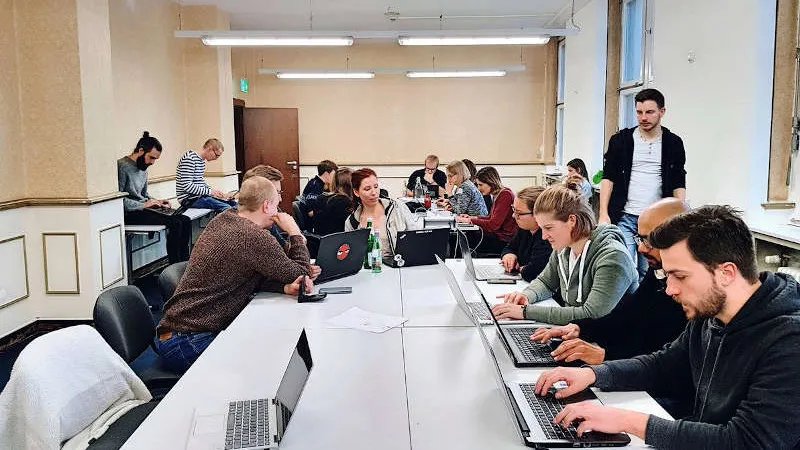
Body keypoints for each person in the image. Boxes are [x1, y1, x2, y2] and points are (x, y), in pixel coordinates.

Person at [534, 205, 800, 450]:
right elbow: (663, 365)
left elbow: (748, 441)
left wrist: (628, 421)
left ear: (726, 273)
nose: (670, 289)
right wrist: (593, 375)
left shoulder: (789, 341)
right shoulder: (710, 315)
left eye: (679, 276)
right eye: (666, 274)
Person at [155, 176, 312, 372]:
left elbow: (249, 274)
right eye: (277, 205)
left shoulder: (225, 218)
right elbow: (303, 274)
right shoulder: (253, 236)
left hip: (178, 334)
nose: (279, 212)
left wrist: (283, 287)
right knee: (267, 361)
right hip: (187, 342)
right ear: (266, 206)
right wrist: (295, 232)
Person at [531, 198, 688, 366]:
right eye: (640, 239)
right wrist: (580, 329)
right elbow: (630, 312)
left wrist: (608, 356)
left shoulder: (615, 256)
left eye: (649, 240)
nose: (641, 249)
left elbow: (670, 353)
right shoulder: (658, 269)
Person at [491, 182, 638, 325]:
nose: (543, 236)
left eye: (549, 228)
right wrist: (525, 296)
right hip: (580, 334)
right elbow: (546, 282)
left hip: (610, 342)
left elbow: (591, 314)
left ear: (572, 220)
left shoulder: (613, 257)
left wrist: (525, 312)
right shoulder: (564, 248)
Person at [599, 88, 686, 278]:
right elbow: (609, 178)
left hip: (657, 220)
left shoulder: (673, 143)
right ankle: (628, 306)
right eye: (639, 112)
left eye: (649, 112)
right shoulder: (620, 141)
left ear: (662, 112)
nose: (643, 117)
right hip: (625, 215)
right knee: (626, 270)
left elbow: (679, 179)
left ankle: (643, 306)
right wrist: (603, 213)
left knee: (649, 271)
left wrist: (682, 213)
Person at [118, 131, 191, 263]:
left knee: (185, 219)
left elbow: (144, 195)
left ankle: (185, 264)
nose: (152, 162)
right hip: (130, 213)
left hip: (143, 209)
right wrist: (143, 205)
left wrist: (157, 201)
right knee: (175, 223)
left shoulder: (143, 167)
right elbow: (118, 200)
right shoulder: (122, 166)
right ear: (140, 151)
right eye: (151, 157)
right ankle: (174, 266)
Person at [345, 168, 420, 256]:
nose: (374, 192)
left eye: (376, 186)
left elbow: (416, 236)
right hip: (369, 268)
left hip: (399, 265)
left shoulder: (397, 207)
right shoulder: (351, 222)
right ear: (356, 192)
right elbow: (352, 254)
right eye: (367, 189)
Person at [456, 166, 518, 254]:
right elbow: (490, 218)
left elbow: (493, 225)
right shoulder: (498, 194)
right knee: (464, 236)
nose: (478, 188)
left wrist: (470, 220)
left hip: (503, 240)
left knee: (464, 238)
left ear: (491, 182)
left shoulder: (505, 195)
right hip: (498, 236)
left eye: (480, 185)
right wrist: (473, 217)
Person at [500, 187, 553, 282]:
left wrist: (519, 268)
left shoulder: (546, 237)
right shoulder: (524, 229)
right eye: (514, 210)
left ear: (537, 214)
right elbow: (509, 247)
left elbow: (533, 272)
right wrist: (509, 255)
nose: (513, 216)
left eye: (519, 213)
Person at [176, 138, 236, 211]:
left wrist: (214, 192)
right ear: (209, 149)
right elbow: (187, 186)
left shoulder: (202, 161)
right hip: (188, 199)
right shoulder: (189, 159)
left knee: (234, 205)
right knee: (227, 209)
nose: (216, 159)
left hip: (199, 197)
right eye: (217, 155)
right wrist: (210, 192)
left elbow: (200, 182)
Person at [312, 167, 354, 236]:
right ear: (351, 185)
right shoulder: (345, 202)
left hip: (320, 242)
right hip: (338, 243)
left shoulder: (320, 198)